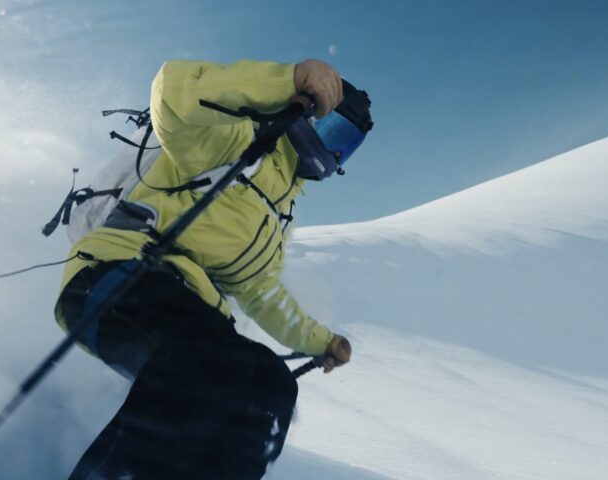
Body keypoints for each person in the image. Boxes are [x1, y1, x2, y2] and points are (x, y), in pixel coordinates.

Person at [54, 58, 373, 479]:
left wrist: (322, 340)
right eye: (331, 129)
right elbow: (173, 93)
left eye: (345, 144)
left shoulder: (275, 217)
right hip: (114, 277)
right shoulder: (235, 141)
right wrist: (284, 82)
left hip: (188, 313)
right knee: (212, 364)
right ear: (310, 111)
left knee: (270, 383)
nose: (332, 151)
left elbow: (262, 293)